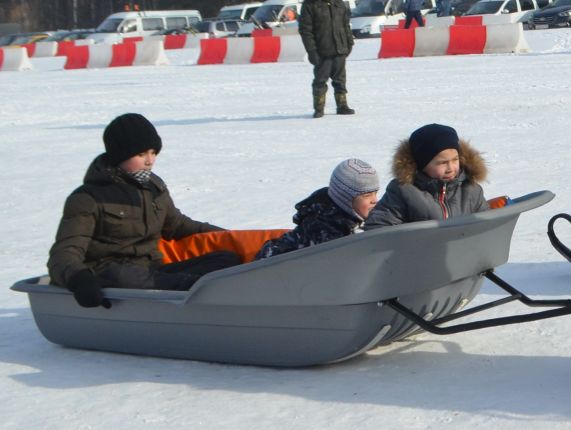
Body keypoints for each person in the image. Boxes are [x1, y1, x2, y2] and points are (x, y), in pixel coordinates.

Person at [47, 113, 237, 308]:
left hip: (152, 270)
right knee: (123, 276)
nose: (150, 160)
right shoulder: (88, 198)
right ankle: (200, 291)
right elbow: (65, 253)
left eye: (153, 152)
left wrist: (228, 236)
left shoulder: (154, 188)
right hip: (110, 273)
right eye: (141, 154)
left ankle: (199, 287)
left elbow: (178, 225)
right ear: (119, 156)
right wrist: (80, 280)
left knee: (226, 258)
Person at [364, 123, 488, 228]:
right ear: (422, 165)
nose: (450, 168)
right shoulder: (404, 192)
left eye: (455, 160)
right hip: (417, 254)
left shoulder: (471, 190)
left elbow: (485, 227)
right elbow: (378, 228)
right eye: (442, 163)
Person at [255, 158, 381, 259]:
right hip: (269, 270)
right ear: (345, 199)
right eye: (367, 195)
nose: (375, 200)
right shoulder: (323, 230)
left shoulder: (352, 218)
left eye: (375, 193)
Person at [298, 0, 355, 118]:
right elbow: (306, 31)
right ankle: (319, 108)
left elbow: (345, 23)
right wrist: (312, 52)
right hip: (322, 51)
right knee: (320, 81)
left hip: (339, 49)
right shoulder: (311, 4)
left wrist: (349, 42)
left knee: (340, 80)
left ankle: (342, 105)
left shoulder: (337, 1)